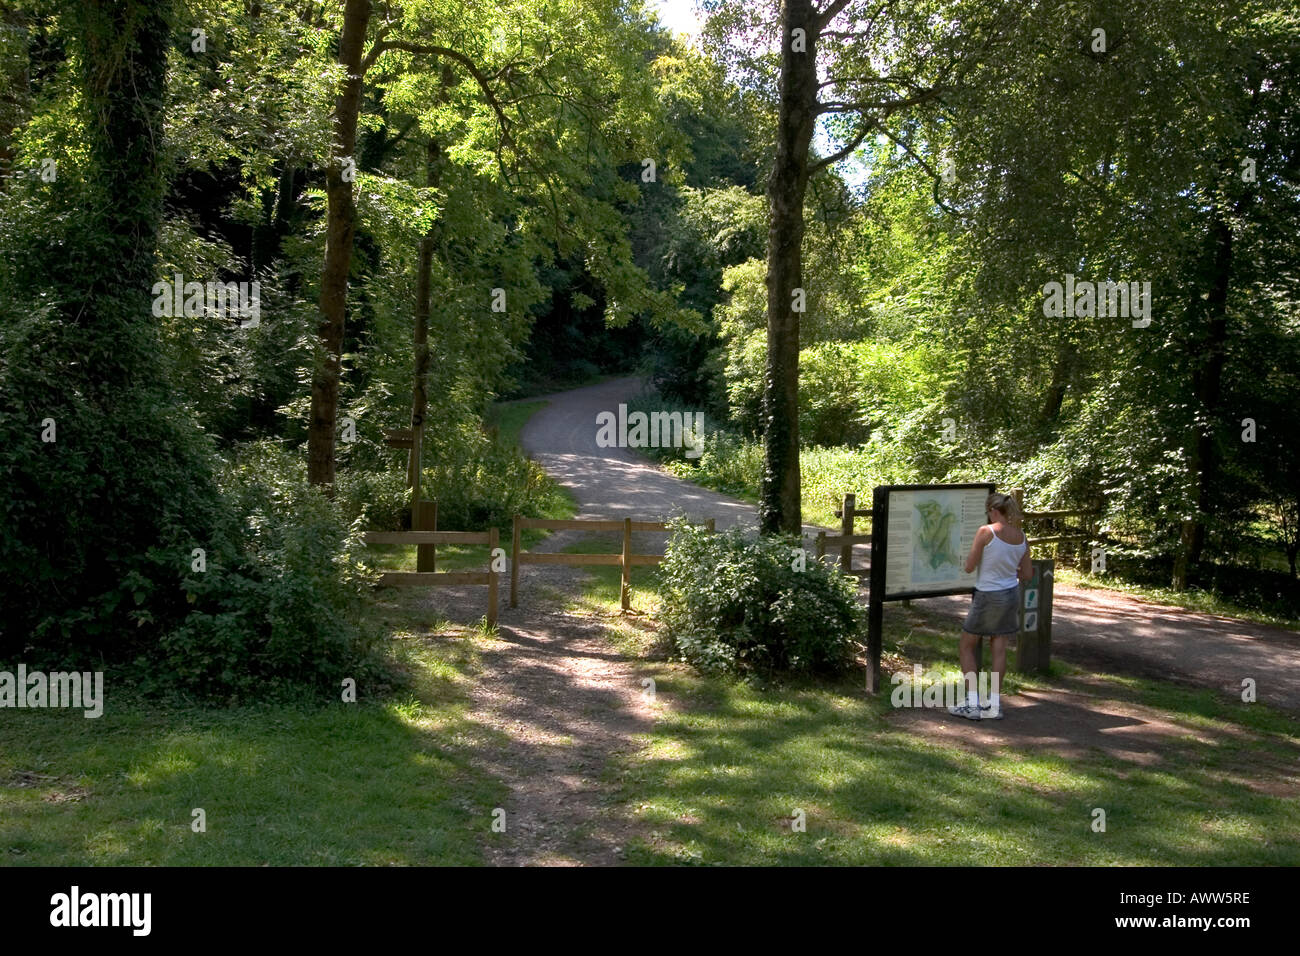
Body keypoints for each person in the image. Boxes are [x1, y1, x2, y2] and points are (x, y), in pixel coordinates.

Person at [948, 492, 1032, 720]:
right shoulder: (1021, 536)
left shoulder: (986, 532)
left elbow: (969, 566)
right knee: (999, 648)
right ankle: (994, 705)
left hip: (987, 595)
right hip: (1010, 593)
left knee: (966, 645)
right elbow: (1027, 573)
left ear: (993, 511)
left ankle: (972, 702)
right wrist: (1006, 567)